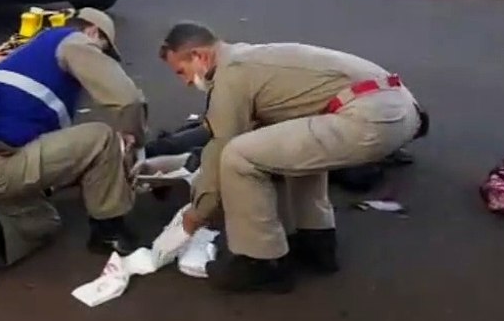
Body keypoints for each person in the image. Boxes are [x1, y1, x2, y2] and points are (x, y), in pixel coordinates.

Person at [158, 22, 427, 293]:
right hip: (396, 106)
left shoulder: (231, 75)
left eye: (182, 72)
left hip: (372, 117)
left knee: (237, 156)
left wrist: (197, 213)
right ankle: (316, 242)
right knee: (289, 148)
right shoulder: (250, 58)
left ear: (200, 56)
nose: (184, 82)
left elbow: (220, 148)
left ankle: (262, 262)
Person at [0, 9, 147, 284]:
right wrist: (134, 141)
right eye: (104, 51)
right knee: (103, 138)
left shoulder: (30, 56)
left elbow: (54, 154)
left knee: (45, 221)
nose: (102, 60)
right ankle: (109, 232)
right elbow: (128, 100)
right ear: (93, 32)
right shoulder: (74, 40)